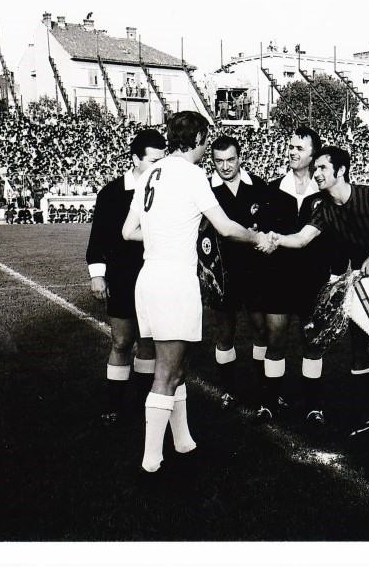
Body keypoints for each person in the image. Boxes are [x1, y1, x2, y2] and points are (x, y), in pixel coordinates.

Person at [122, 111, 271, 474]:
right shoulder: (192, 174)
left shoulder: (151, 173)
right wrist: (257, 237)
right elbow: (226, 228)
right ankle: (151, 460)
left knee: (177, 367)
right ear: (200, 138)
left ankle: (183, 439)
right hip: (174, 281)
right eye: (206, 141)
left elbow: (128, 231)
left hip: (149, 278)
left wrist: (167, 236)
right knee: (166, 371)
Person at [265, 146, 369, 443]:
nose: (316, 173)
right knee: (358, 353)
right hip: (360, 281)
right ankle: (368, 417)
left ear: (341, 170)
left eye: (322, 168)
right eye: (315, 168)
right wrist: (276, 238)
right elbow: (302, 239)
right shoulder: (325, 208)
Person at [256, 126, 347, 426]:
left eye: (299, 148)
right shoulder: (272, 189)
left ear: (313, 155)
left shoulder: (324, 193)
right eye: (291, 146)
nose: (292, 152)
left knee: (313, 343)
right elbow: (263, 234)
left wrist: (335, 277)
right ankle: (269, 402)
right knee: (275, 342)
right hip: (277, 279)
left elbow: (337, 238)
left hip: (314, 280)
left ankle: (313, 406)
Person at [86, 129, 165, 424]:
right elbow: (98, 238)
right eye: (153, 161)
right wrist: (97, 275)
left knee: (148, 343)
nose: (158, 167)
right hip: (122, 277)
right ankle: (114, 405)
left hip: (154, 275)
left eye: (162, 161)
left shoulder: (163, 191)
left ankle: (144, 403)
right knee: (121, 341)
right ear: (135, 159)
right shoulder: (111, 193)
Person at [207, 134, 269, 411]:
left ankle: (265, 390)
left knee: (261, 330)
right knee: (225, 333)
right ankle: (228, 390)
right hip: (222, 274)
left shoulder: (257, 185)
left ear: (240, 158)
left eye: (230, 159)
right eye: (219, 161)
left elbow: (268, 225)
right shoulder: (206, 189)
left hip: (256, 271)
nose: (225, 166)